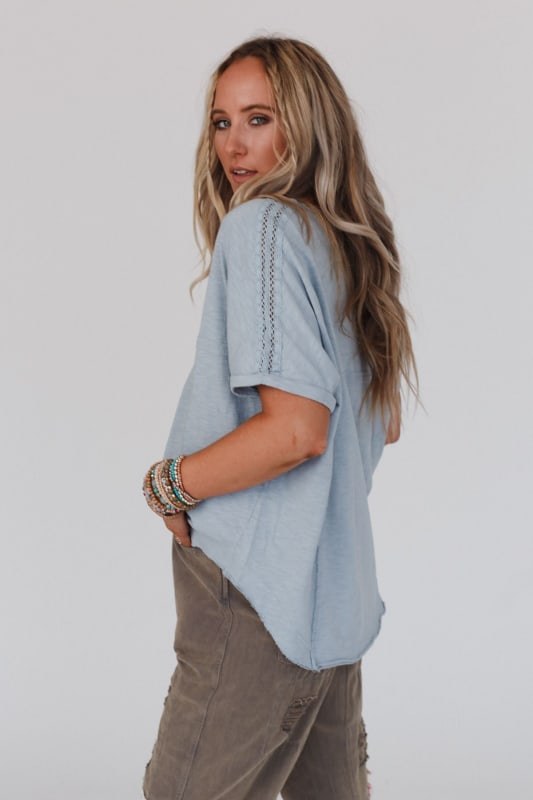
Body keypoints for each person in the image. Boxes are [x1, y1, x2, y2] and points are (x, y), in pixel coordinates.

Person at [142, 35, 417, 800]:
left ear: (307, 123)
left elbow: (298, 431)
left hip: (255, 591)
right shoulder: (347, 245)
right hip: (331, 594)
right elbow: (382, 421)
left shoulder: (260, 228)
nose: (234, 144)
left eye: (258, 118)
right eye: (221, 121)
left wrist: (168, 483)